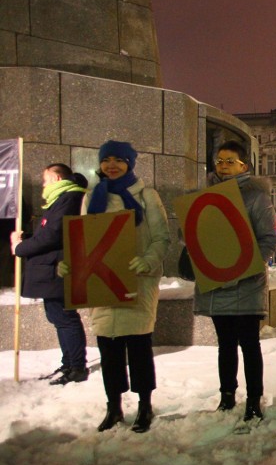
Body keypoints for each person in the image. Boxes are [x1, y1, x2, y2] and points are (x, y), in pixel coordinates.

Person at [65, 140, 171, 433]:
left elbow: (161, 237)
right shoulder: (92, 197)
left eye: (119, 160)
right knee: (109, 349)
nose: (112, 165)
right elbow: (85, 237)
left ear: (130, 162)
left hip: (138, 282)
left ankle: (144, 406)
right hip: (102, 283)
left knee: (138, 348)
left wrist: (148, 260)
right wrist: (73, 264)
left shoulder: (147, 196)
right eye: (106, 160)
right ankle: (114, 407)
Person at [193, 140, 276, 425]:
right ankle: (227, 396)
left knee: (249, 344)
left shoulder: (256, 197)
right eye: (219, 161)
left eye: (230, 161)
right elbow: (193, 235)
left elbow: (269, 237)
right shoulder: (204, 196)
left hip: (247, 283)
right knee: (225, 344)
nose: (223, 166)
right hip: (218, 283)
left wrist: (255, 265)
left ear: (244, 166)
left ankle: (254, 399)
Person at [11, 163, 89, 385]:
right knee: (58, 317)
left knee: (65, 318)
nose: (43, 185)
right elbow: (48, 232)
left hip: (56, 269)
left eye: (45, 180)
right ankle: (69, 363)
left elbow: (53, 235)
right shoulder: (62, 198)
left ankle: (77, 367)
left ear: (56, 178)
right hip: (51, 269)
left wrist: (21, 248)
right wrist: (25, 239)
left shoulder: (69, 198)